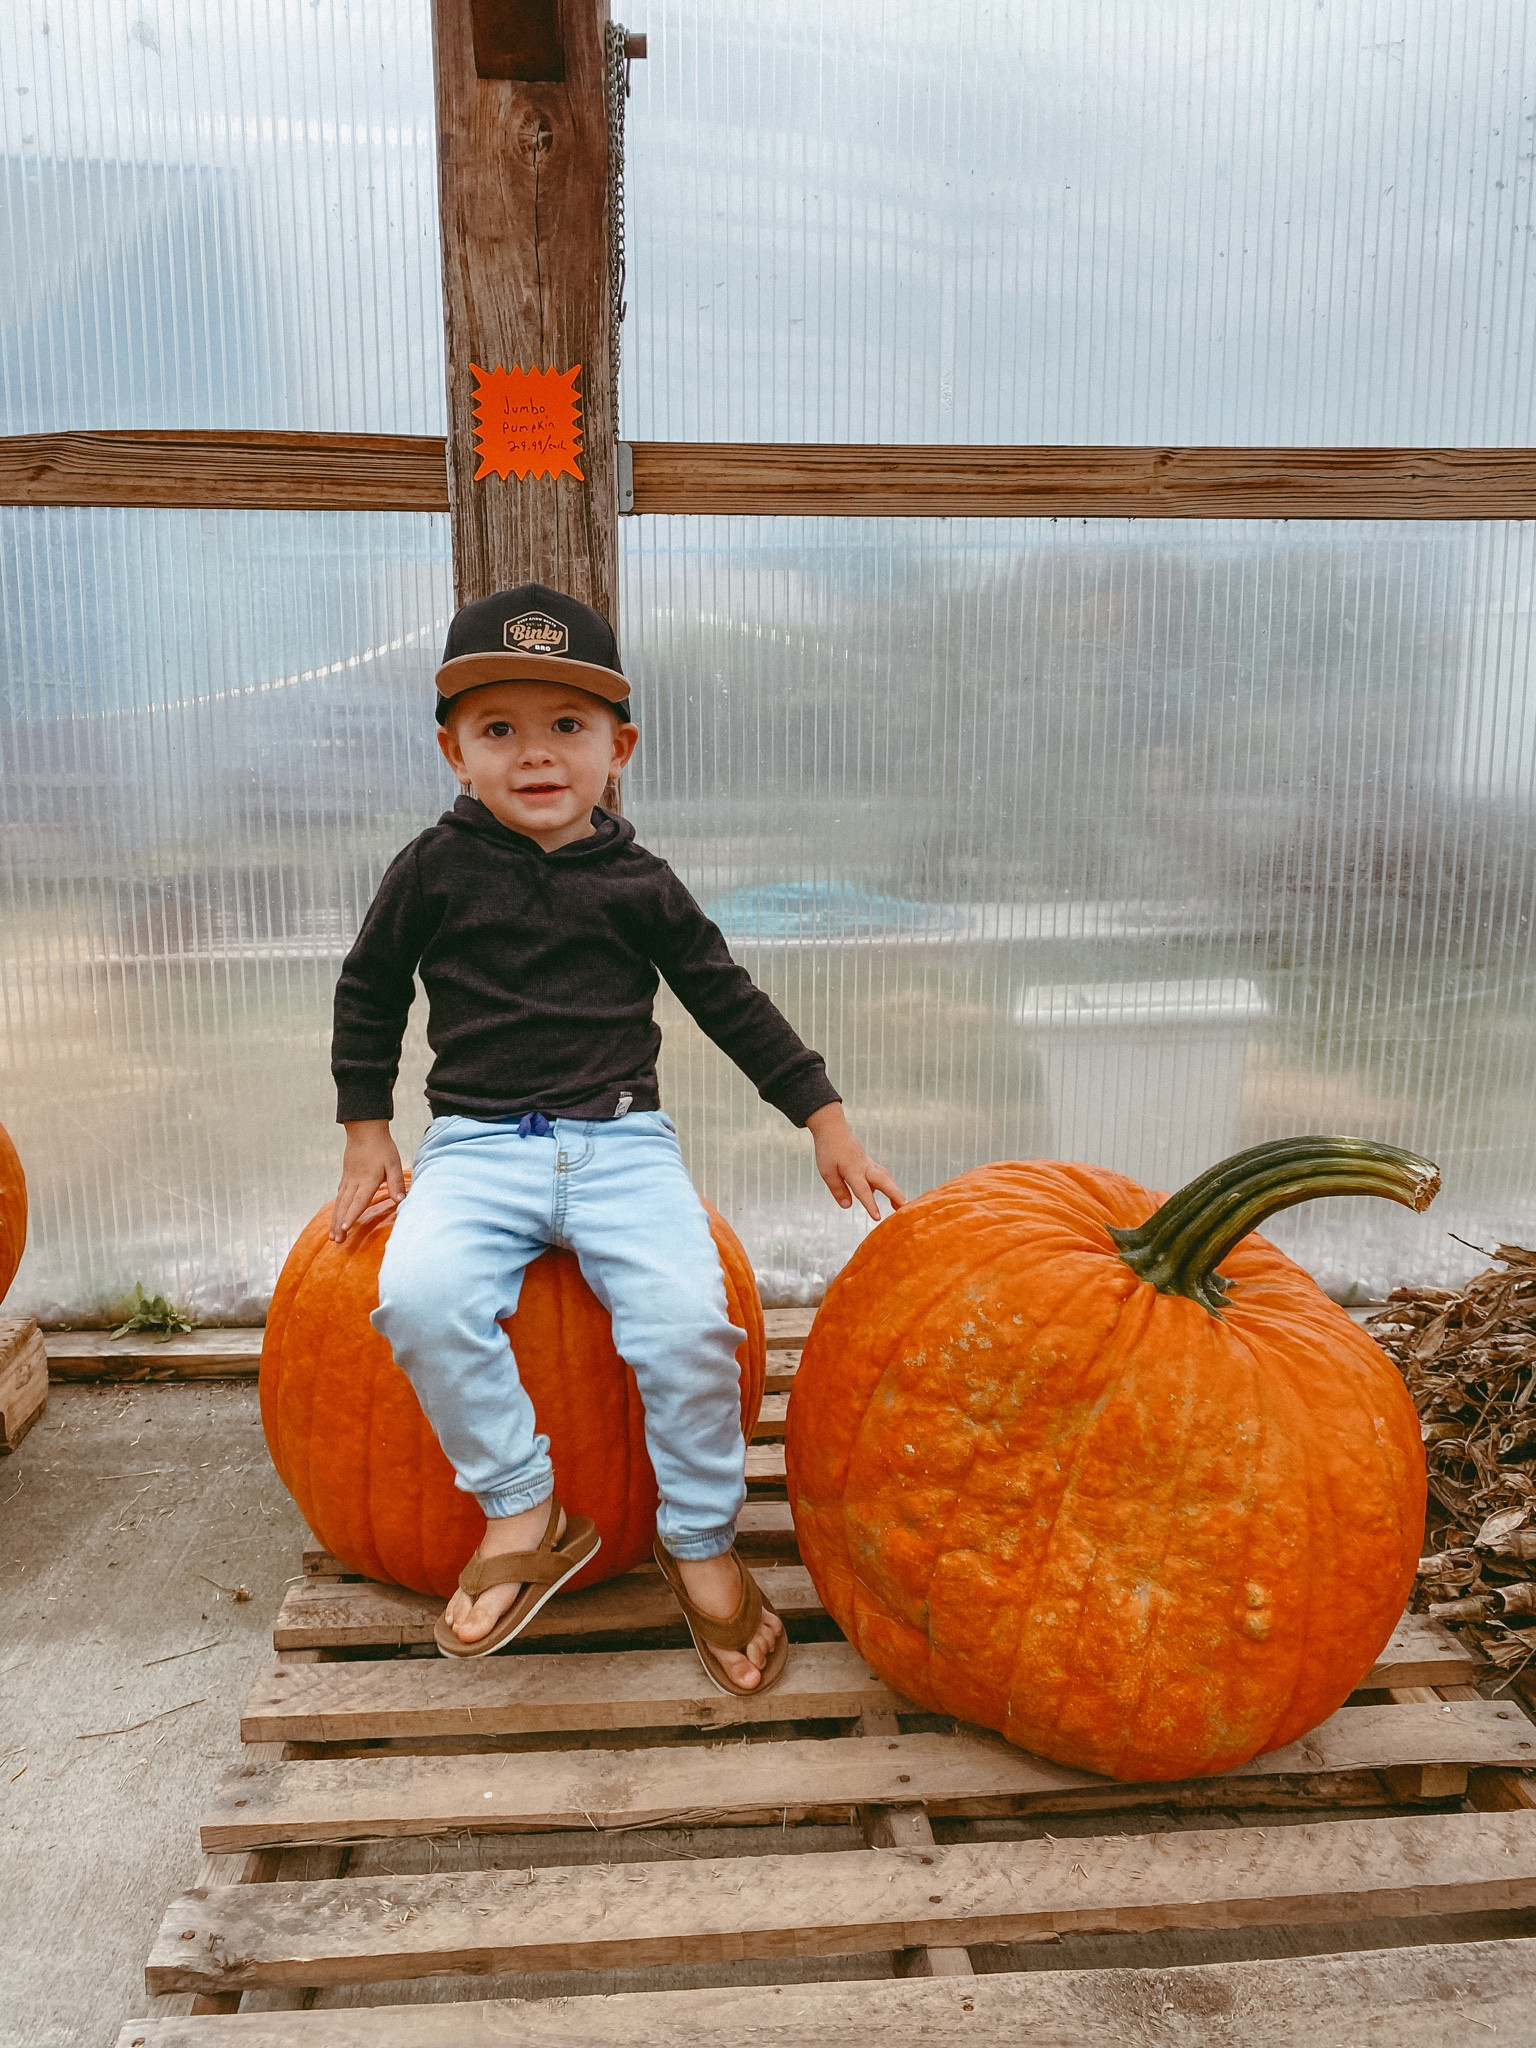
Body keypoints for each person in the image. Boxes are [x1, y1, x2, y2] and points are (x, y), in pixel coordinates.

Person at [328, 583, 904, 1692]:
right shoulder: (430, 870)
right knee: (416, 1297)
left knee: (694, 1325)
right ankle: (521, 1503)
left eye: (567, 727)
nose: (535, 755)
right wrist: (367, 1130)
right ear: (455, 750)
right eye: (499, 729)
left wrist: (821, 1113)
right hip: (477, 1145)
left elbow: (727, 997)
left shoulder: (640, 883)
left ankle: (697, 1539)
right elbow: (369, 994)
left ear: (616, 747)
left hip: (623, 1145)